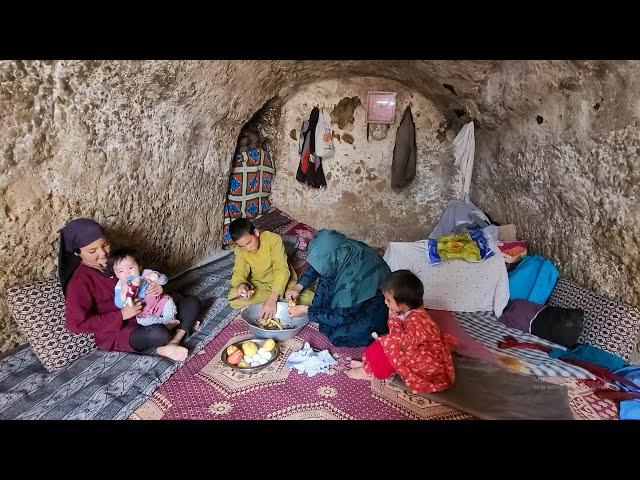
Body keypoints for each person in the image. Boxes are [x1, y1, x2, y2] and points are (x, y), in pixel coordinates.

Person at [59, 218, 200, 362]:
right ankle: (179, 328)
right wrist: (121, 315)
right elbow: (75, 324)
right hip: (120, 330)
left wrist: (157, 287)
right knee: (159, 333)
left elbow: (144, 276)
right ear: (77, 253)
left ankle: (174, 341)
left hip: (149, 311)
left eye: (105, 244)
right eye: (92, 251)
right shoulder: (79, 282)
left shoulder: (116, 261)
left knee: (192, 302)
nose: (102, 253)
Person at [346, 270, 457, 394]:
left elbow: (402, 345)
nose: (385, 302)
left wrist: (393, 321)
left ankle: (367, 372)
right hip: (413, 348)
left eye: (388, 300)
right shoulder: (410, 310)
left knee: (389, 349)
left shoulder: (418, 320)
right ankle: (368, 366)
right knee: (384, 343)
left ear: (403, 304)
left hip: (425, 364)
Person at [286, 229, 390, 347]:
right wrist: (298, 287)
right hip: (352, 286)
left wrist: (306, 310)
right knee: (321, 304)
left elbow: (340, 316)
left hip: (373, 302)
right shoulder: (340, 247)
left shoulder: (352, 280)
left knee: (337, 336)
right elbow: (319, 263)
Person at [227, 218, 313, 319]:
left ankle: (273, 301)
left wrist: (273, 298)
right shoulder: (240, 250)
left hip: (283, 284)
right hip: (260, 284)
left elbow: (282, 271)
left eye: (249, 242)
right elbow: (239, 271)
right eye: (242, 246)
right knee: (233, 296)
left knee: (311, 299)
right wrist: (242, 285)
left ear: (256, 233)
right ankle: (282, 303)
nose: (247, 248)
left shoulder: (273, 239)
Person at [107, 247, 179, 328]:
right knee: (143, 321)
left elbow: (165, 280)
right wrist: (123, 294)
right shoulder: (120, 286)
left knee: (169, 303)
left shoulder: (146, 273)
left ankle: (170, 321)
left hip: (159, 302)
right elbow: (118, 304)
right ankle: (165, 324)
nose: (127, 273)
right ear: (115, 274)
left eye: (130, 268)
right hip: (144, 312)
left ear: (139, 265)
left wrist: (157, 276)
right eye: (120, 271)